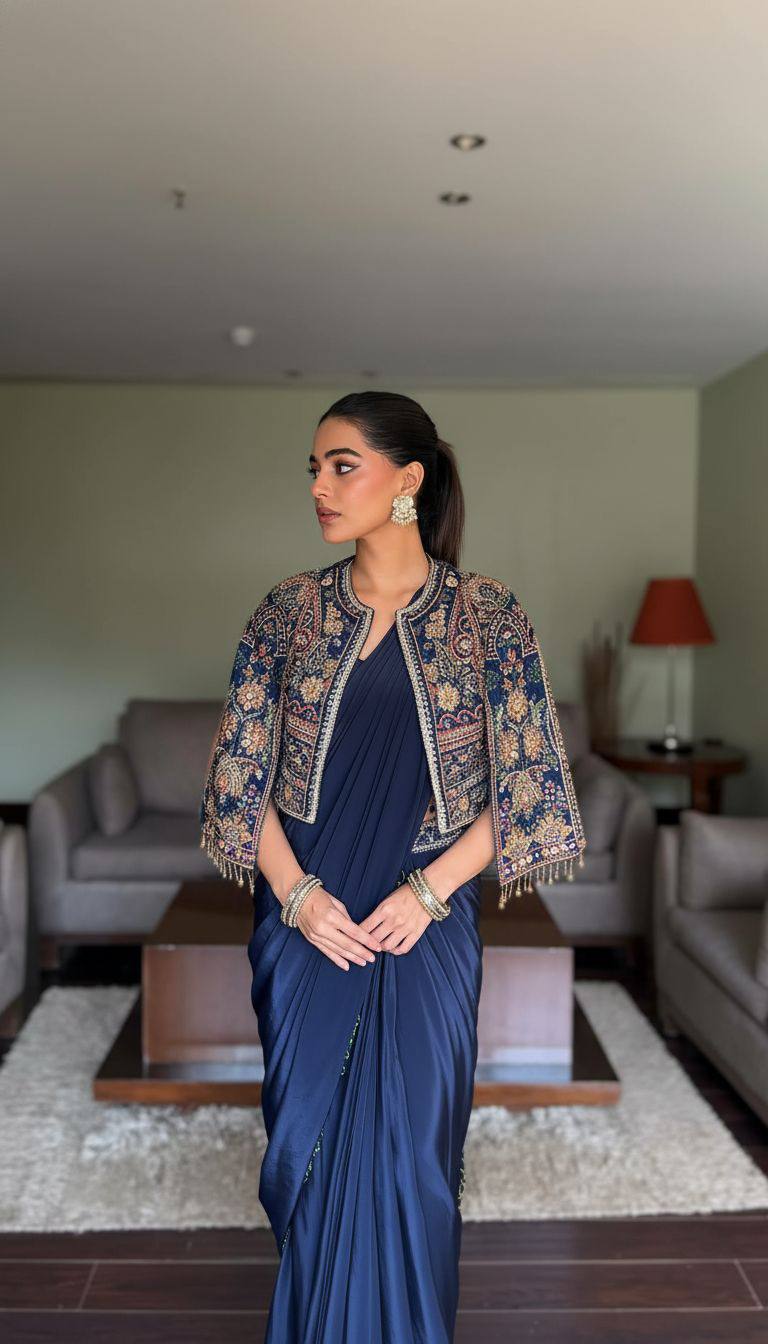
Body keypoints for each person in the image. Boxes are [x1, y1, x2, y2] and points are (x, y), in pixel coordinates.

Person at [199, 390, 586, 1343]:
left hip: (426, 926)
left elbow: (530, 787)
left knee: (415, 1158)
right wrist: (295, 897)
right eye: (315, 469)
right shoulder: (287, 613)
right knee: (307, 1150)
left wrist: (428, 891)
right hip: (307, 928)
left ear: (407, 480)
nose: (321, 487)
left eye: (343, 466)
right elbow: (239, 779)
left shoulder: (489, 616)